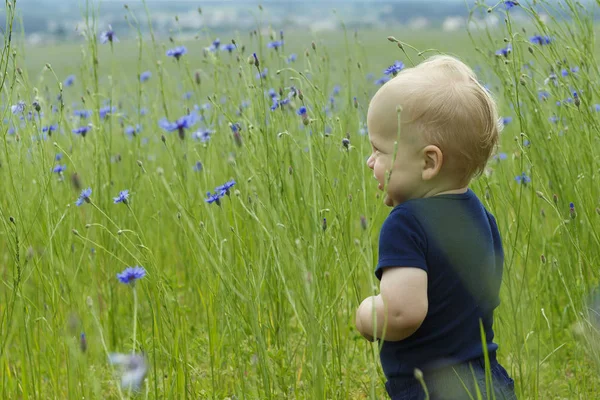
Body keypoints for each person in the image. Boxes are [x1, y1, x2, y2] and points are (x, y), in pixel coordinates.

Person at [355, 55, 517, 400]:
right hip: (489, 381)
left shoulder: (406, 224)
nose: (370, 161)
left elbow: (401, 313)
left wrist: (367, 313)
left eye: (379, 150)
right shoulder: (481, 217)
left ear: (429, 162)